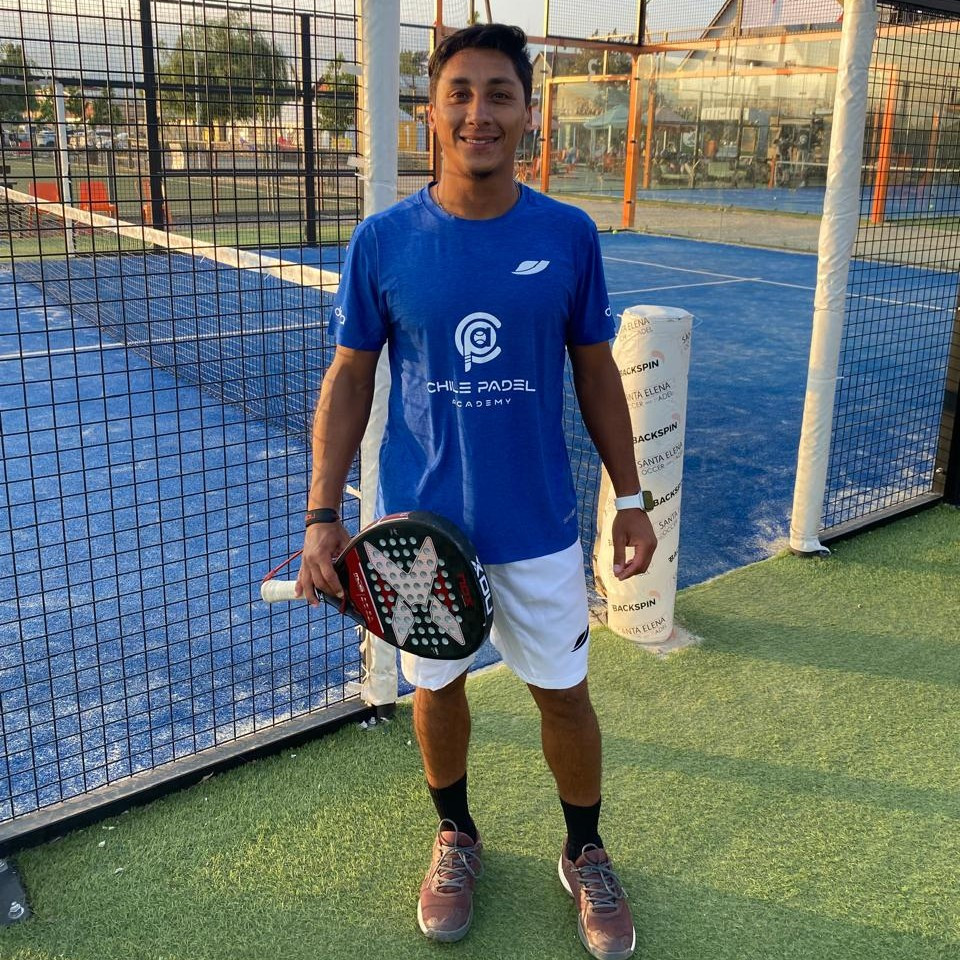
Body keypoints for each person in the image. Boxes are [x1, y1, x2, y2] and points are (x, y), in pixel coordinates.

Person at [296, 23, 656, 960]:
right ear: (433, 112)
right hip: (420, 535)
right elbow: (350, 379)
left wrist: (631, 498)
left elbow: (596, 373)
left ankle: (584, 850)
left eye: (500, 94)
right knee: (437, 689)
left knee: (565, 697)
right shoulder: (383, 241)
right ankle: (456, 834)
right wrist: (323, 516)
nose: (478, 113)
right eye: (459, 93)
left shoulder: (568, 235)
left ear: (529, 115)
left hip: (537, 527)